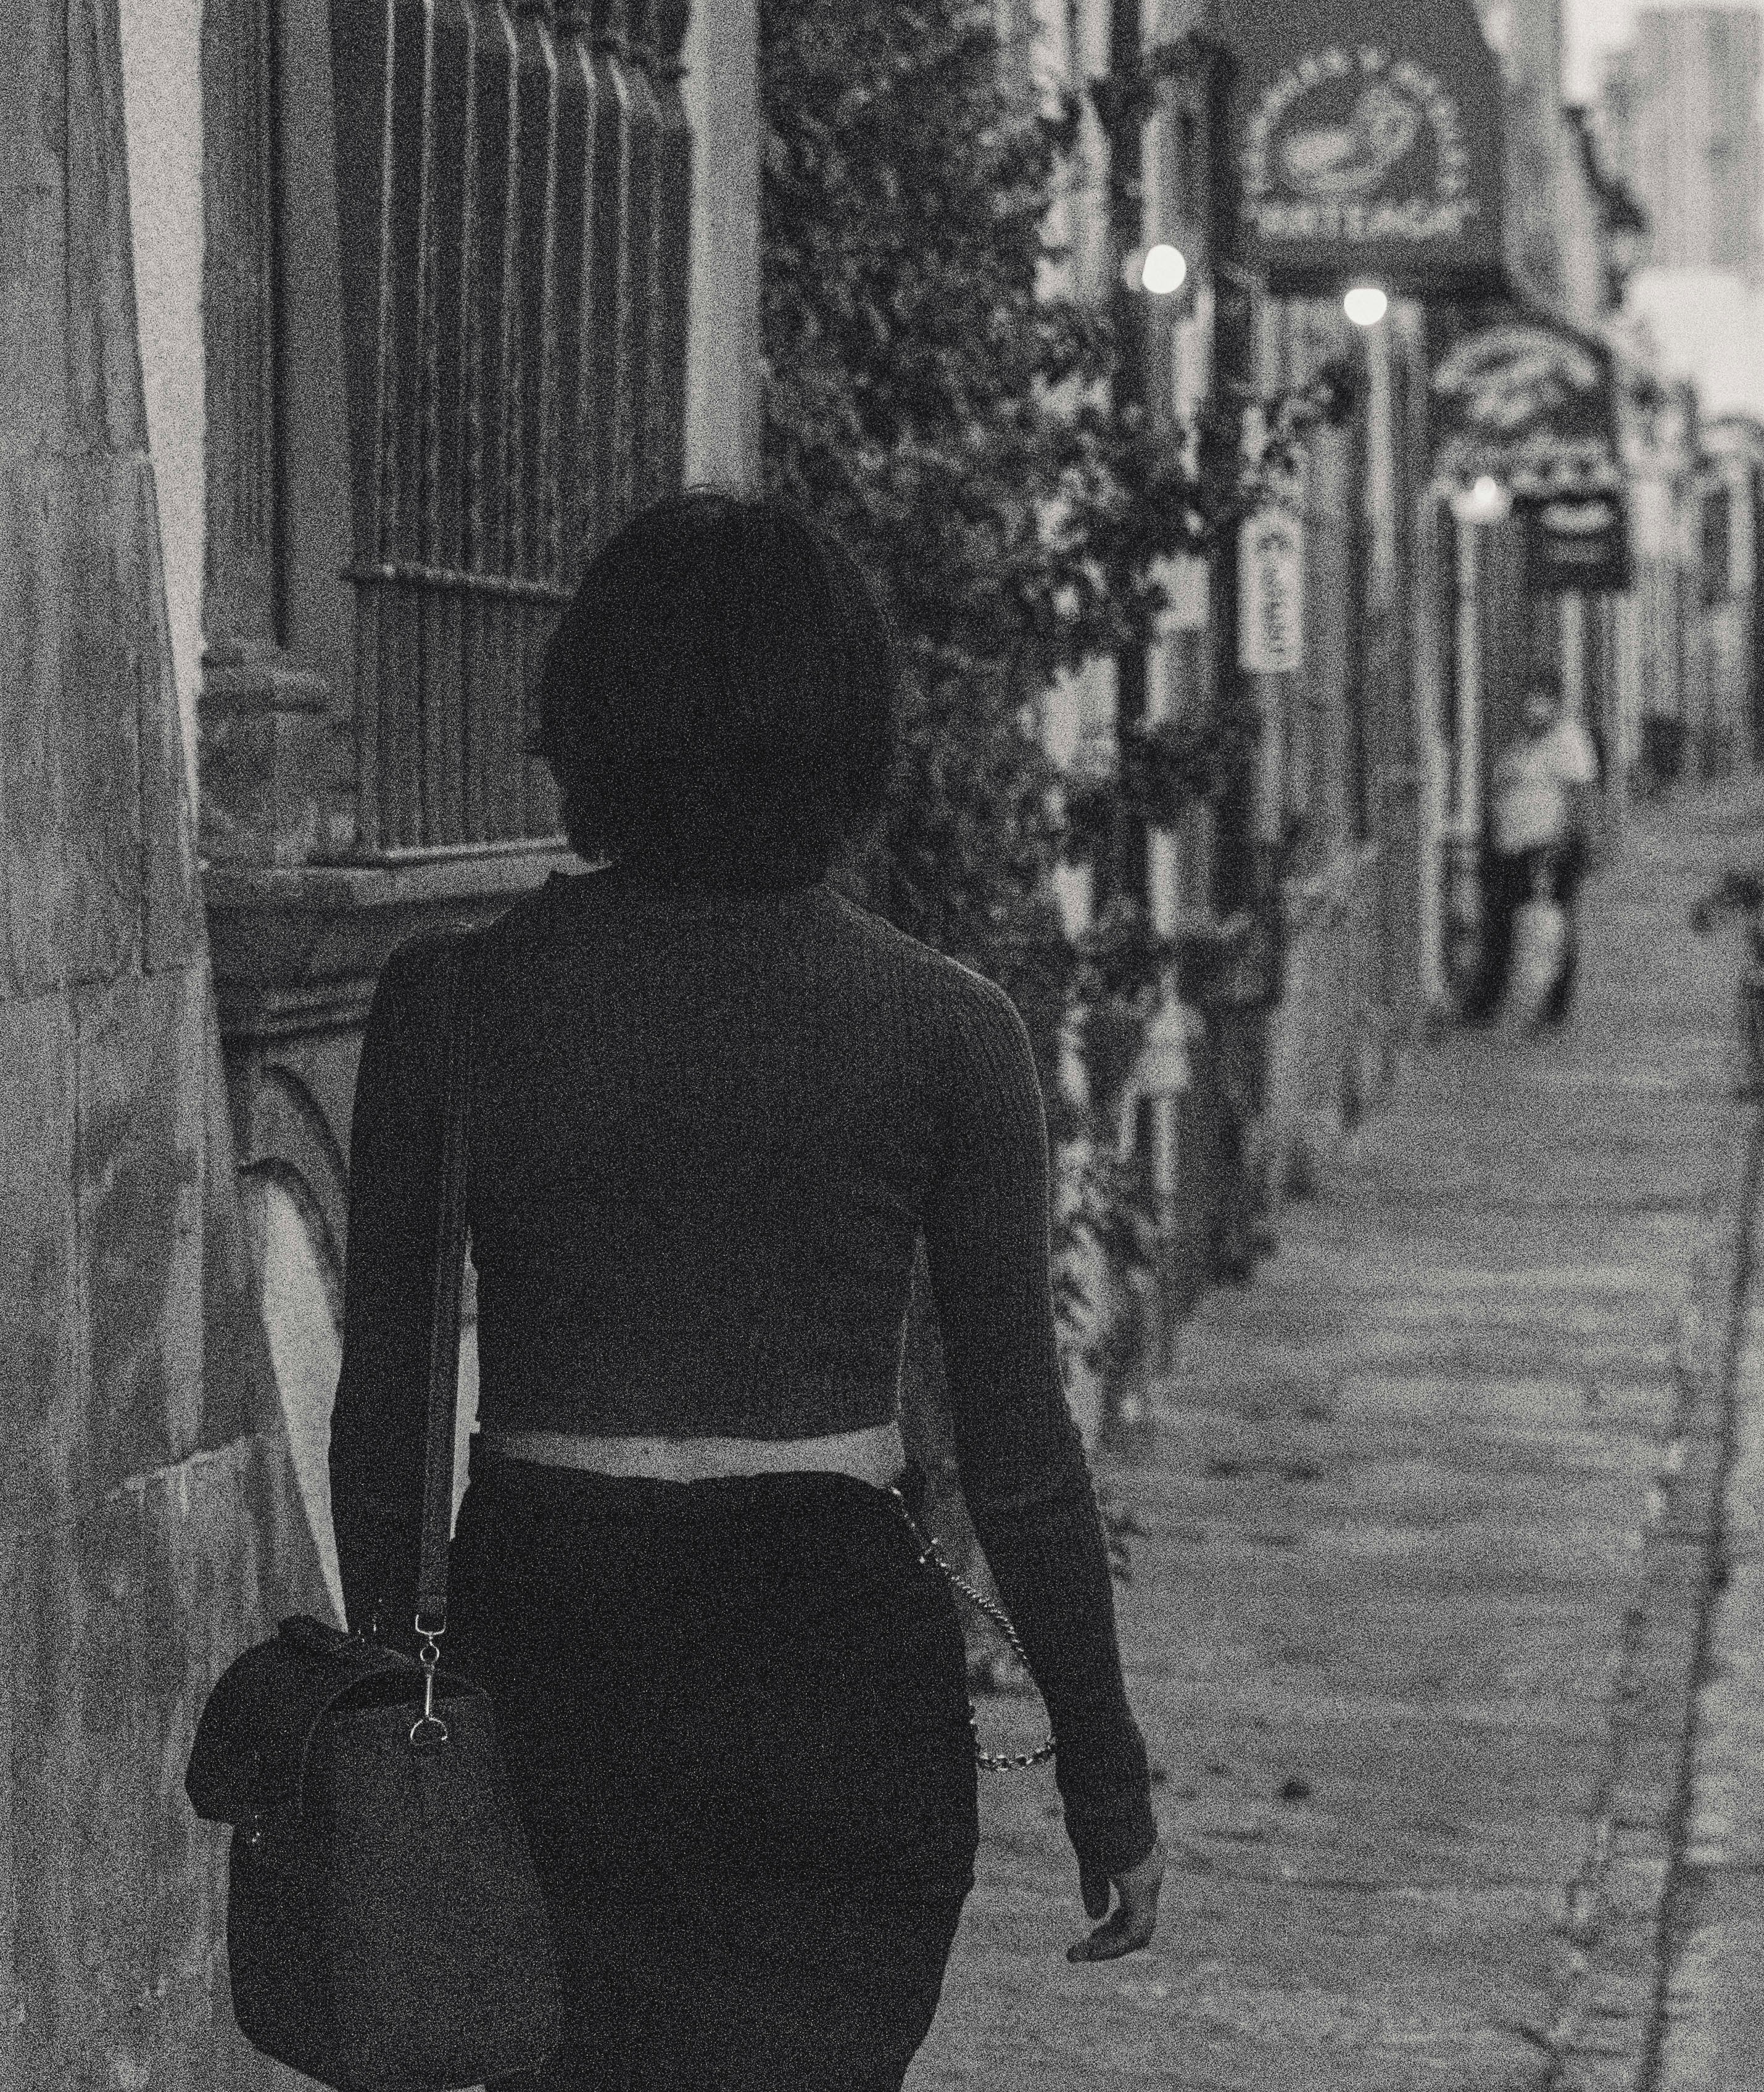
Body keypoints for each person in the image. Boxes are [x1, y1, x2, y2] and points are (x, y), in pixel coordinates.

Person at [331, 492, 1164, 2090]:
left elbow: (385, 1428)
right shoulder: (947, 1030)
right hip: (835, 1677)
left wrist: (392, 1728)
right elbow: (1020, 1456)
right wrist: (1105, 1786)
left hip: (555, 1663)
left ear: (590, 718)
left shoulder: (452, 1005)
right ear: (847, 734)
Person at [1461, 669, 1605, 1032]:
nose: (1533, 707)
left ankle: (1553, 1004)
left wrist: (1572, 846)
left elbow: (1581, 798)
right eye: (1529, 698)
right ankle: (1488, 999)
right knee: (1500, 922)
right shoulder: (1520, 741)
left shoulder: (1569, 740)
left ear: (1554, 702)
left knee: (1553, 926)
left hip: (1549, 848)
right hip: (1510, 848)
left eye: (1541, 699)